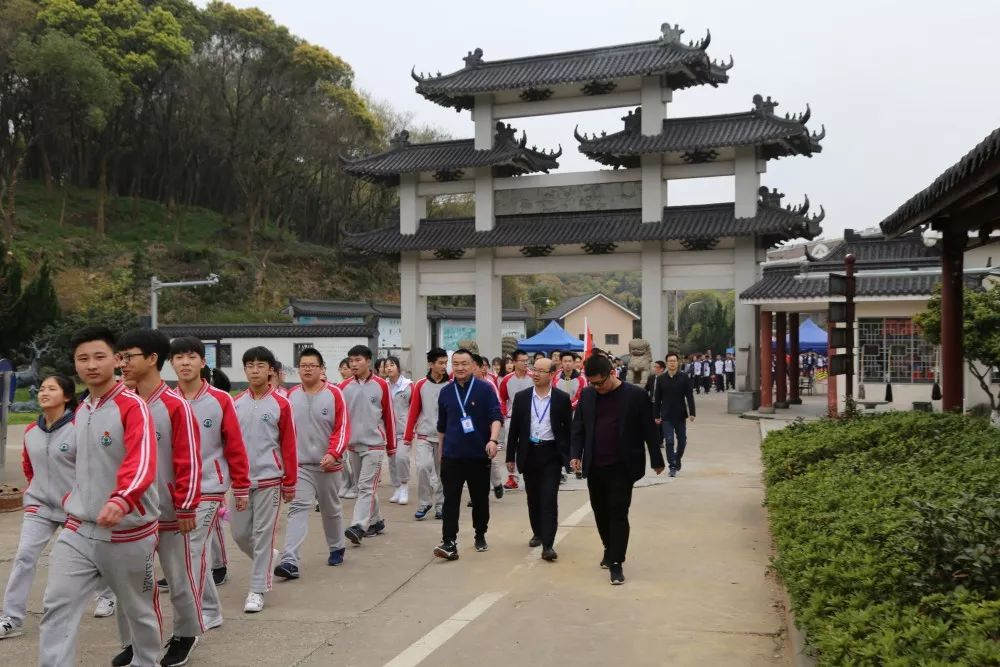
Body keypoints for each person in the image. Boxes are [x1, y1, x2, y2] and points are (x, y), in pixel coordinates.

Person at [37, 327, 160, 667]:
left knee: (138, 610)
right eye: (83, 359)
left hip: (127, 532)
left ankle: (146, 661)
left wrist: (121, 499)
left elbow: (142, 460)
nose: (91, 365)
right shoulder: (81, 409)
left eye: (99, 357)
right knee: (56, 606)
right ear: (75, 364)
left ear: (117, 360)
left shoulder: (133, 406)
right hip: (78, 530)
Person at [112, 329, 202, 667]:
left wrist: (186, 505)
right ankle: (135, 643)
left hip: (168, 511)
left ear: (152, 359)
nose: (122, 363)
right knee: (129, 582)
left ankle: (186, 634)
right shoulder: (120, 403)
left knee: (178, 578)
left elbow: (188, 458)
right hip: (131, 513)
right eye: (119, 357)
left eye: (128, 356)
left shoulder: (176, 405)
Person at [169, 337, 250, 631]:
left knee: (190, 550)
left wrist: (240, 486)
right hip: (178, 490)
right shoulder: (168, 401)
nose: (185, 362)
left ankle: (198, 614)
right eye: (179, 357)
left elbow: (235, 446)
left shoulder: (221, 399)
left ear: (203, 362)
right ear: (171, 363)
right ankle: (211, 609)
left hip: (210, 487)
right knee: (189, 552)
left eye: (191, 357)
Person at [570, 354, 665, 585]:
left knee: (618, 512)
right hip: (595, 465)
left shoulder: (635, 395)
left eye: (599, 383)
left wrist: (657, 459)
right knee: (600, 511)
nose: (597, 387)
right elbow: (578, 427)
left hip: (623, 465)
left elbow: (648, 429)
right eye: (592, 383)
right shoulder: (588, 395)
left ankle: (616, 562)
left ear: (612, 373)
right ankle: (608, 547)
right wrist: (575, 455)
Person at [0, 375, 77, 641]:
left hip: (74, 508)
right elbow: (28, 466)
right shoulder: (32, 430)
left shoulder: (79, 428)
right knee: (24, 557)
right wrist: (37, 490)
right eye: (42, 388)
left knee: (92, 559)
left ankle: (107, 595)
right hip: (39, 505)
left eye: (51, 389)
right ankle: (11, 618)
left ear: (67, 396)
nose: (44, 392)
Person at [274, 348, 349, 580]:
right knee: (297, 509)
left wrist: (334, 453)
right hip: (301, 466)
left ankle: (336, 546)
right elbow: (283, 432)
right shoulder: (290, 396)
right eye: (303, 366)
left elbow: (342, 428)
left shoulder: (335, 394)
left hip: (328, 465)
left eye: (312, 366)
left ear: (322, 369)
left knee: (330, 509)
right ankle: (289, 560)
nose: (307, 369)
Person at [233, 346, 297, 613]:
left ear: (271, 370)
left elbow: (289, 445)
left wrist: (290, 482)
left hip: (270, 478)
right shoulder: (235, 403)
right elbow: (229, 444)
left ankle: (257, 590)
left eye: (260, 365)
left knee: (262, 535)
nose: (255, 370)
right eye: (250, 365)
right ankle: (269, 557)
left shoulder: (282, 404)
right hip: (241, 482)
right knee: (239, 534)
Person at [433, 349, 503, 560]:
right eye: (455, 364)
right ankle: (449, 541)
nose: (460, 368)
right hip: (452, 456)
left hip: (478, 455)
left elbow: (496, 417)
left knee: (480, 499)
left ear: (473, 366)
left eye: (464, 364)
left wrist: (493, 440)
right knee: (450, 500)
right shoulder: (446, 392)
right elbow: (442, 426)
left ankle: (480, 533)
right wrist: (441, 453)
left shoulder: (485, 389)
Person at [506, 357, 571, 561]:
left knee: (549, 498)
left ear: (551, 374)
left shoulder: (561, 398)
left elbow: (568, 429)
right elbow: (514, 429)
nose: (535, 374)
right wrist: (510, 456)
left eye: (541, 371)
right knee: (533, 498)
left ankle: (548, 545)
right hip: (529, 452)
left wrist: (571, 456)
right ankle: (538, 532)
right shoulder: (522, 397)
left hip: (551, 454)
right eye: (534, 369)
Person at [339, 344, 396, 545]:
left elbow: (389, 416)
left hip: (374, 445)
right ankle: (377, 521)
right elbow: (339, 419)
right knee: (365, 487)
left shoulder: (381, 385)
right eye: (351, 360)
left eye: (358, 360)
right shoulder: (343, 387)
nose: (353, 364)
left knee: (364, 486)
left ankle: (358, 526)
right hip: (353, 446)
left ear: (368, 361)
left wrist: (391, 446)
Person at [404, 348, 450, 521]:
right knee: (423, 467)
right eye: (440, 363)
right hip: (424, 435)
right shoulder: (421, 384)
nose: (444, 366)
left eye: (446, 363)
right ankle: (424, 502)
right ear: (431, 364)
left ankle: (441, 505)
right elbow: (414, 410)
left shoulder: (451, 384)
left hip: (445, 437)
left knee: (443, 473)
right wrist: (408, 436)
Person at [653, 353, 697, 477]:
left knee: (682, 441)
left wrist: (692, 412)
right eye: (670, 361)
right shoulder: (661, 379)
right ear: (667, 363)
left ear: (678, 363)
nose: (672, 363)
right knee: (669, 441)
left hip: (680, 415)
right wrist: (656, 415)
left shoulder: (684, 378)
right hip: (666, 415)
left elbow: (689, 396)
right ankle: (672, 466)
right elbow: (657, 399)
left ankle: (677, 459)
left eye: (674, 361)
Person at [498, 350, 534, 491]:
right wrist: (504, 414)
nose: (525, 363)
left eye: (527, 360)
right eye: (522, 360)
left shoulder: (533, 377)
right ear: (514, 362)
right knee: (511, 446)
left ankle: (530, 474)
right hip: (512, 418)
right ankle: (512, 477)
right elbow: (502, 398)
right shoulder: (507, 379)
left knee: (530, 446)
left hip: (532, 419)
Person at [384, 356, 413, 505]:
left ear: (398, 367)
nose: (389, 368)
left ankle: (404, 486)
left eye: (392, 365)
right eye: (386, 366)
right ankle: (397, 487)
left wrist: (412, 427)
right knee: (392, 460)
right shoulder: (383, 385)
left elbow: (414, 407)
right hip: (389, 430)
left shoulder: (408, 385)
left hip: (404, 429)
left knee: (401, 458)